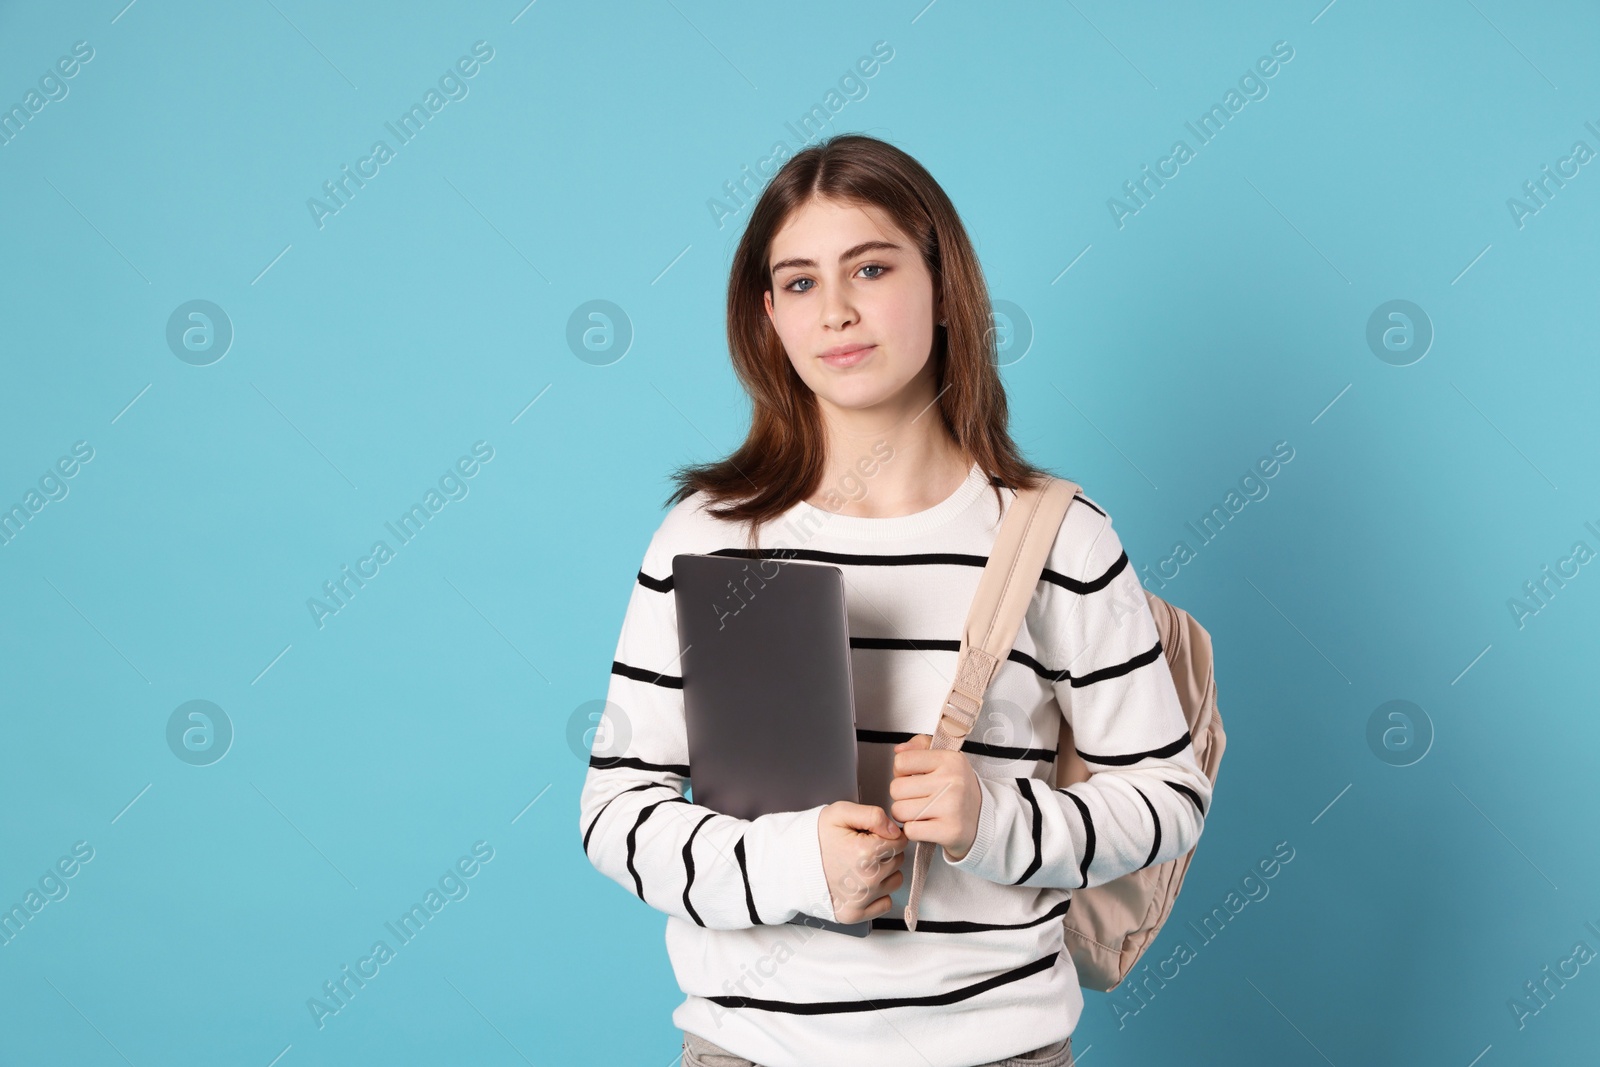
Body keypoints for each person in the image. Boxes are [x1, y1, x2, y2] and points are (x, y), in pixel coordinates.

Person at [577, 133, 1210, 1067]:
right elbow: (614, 809)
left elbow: (1167, 799)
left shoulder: (1060, 538)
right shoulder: (710, 537)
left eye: (869, 268)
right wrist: (793, 865)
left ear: (942, 284)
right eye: (799, 282)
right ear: (769, 317)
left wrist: (993, 819)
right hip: (750, 1050)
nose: (834, 310)